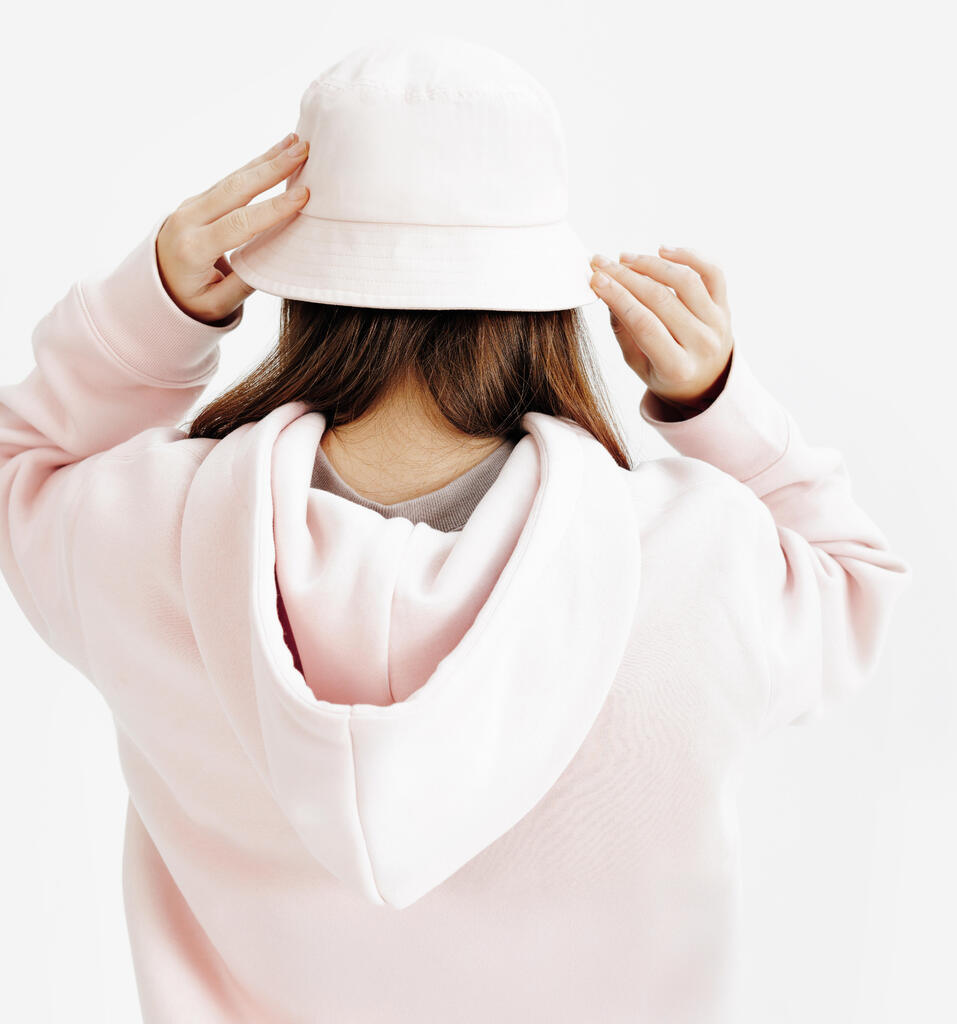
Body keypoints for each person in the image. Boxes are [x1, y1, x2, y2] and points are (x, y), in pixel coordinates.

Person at [0, 34, 911, 1024]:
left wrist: (149, 313)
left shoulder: (139, 533)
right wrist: (716, 402)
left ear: (299, 281)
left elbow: (22, 460)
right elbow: (857, 584)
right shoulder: (700, 562)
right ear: (546, 293)